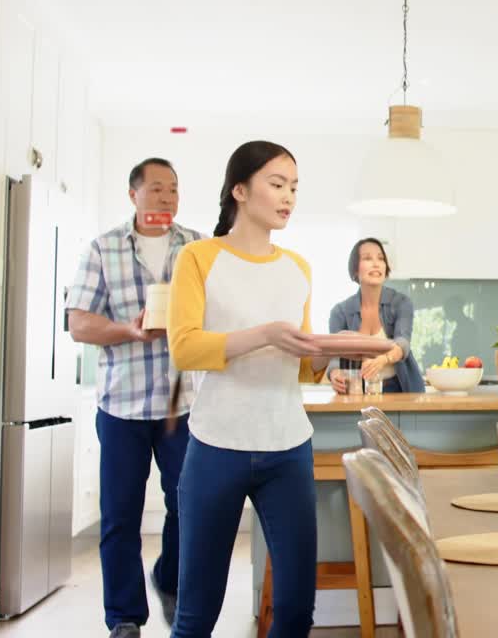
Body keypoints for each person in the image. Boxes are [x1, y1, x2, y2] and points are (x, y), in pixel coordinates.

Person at [167, 140, 331, 637]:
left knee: (297, 609)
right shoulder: (198, 258)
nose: (288, 198)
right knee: (196, 613)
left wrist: (324, 355)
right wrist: (265, 334)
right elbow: (186, 348)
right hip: (217, 446)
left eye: (295, 188)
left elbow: (300, 368)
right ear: (239, 190)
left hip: (288, 447)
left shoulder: (298, 268)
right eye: (277, 185)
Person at [66, 157, 202, 637]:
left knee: (189, 504)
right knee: (120, 515)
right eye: (157, 189)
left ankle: (168, 577)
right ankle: (124, 617)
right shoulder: (103, 249)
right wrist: (127, 329)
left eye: (174, 190)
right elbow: (79, 322)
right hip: (121, 407)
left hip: (182, 406)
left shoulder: (196, 247)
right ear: (134, 195)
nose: (167, 198)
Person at [328, 237, 425, 394]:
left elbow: (403, 342)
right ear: (355, 269)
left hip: (401, 389)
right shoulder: (340, 312)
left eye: (381, 258)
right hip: (357, 390)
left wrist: (383, 360)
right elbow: (334, 354)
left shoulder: (401, 303)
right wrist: (334, 373)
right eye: (367, 258)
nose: (376, 263)